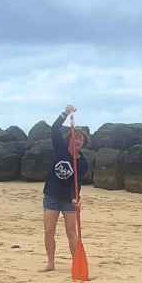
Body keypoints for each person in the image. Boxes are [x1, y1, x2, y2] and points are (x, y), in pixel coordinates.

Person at [39, 103, 89, 273]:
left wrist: (76, 198)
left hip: (68, 200)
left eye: (81, 140)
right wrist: (65, 114)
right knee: (49, 231)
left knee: (71, 232)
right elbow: (54, 129)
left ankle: (76, 263)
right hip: (51, 195)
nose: (78, 141)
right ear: (70, 139)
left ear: (84, 143)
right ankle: (51, 263)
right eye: (76, 138)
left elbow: (77, 183)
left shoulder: (82, 163)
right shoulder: (60, 148)